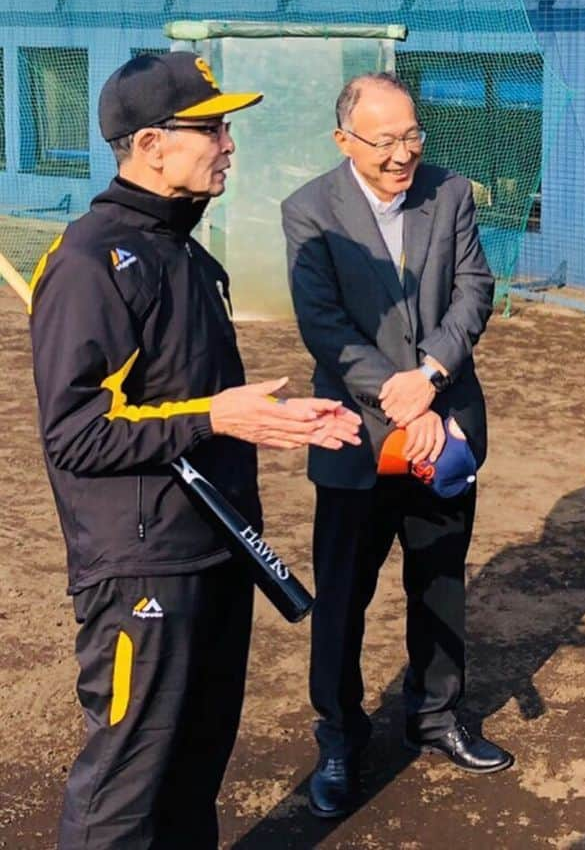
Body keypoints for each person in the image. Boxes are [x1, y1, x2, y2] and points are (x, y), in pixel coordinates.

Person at [28, 52, 361, 849]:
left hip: (213, 552)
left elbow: (192, 404)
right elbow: (75, 434)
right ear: (150, 144)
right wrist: (215, 418)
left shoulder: (183, 250)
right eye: (210, 128)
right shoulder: (90, 261)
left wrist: (272, 420)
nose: (228, 145)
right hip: (141, 570)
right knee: (125, 789)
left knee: (192, 775)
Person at [281, 73, 513, 820]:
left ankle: (437, 714)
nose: (402, 154)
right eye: (384, 141)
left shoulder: (449, 194)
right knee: (343, 596)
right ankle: (341, 736)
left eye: (412, 135)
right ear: (344, 140)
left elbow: (474, 290)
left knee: (440, 578)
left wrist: (431, 377)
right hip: (356, 436)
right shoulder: (310, 211)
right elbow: (323, 324)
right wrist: (398, 396)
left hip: (443, 424)